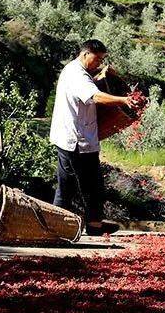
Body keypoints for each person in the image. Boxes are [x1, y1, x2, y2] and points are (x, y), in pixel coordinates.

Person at [49, 39, 136, 236]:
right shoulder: (77, 75)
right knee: (86, 186)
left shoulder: (75, 71)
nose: (99, 64)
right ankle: (76, 227)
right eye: (97, 60)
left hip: (71, 137)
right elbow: (95, 96)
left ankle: (73, 226)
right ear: (85, 54)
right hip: (76, 141)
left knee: (71, 185)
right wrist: (124, 100)